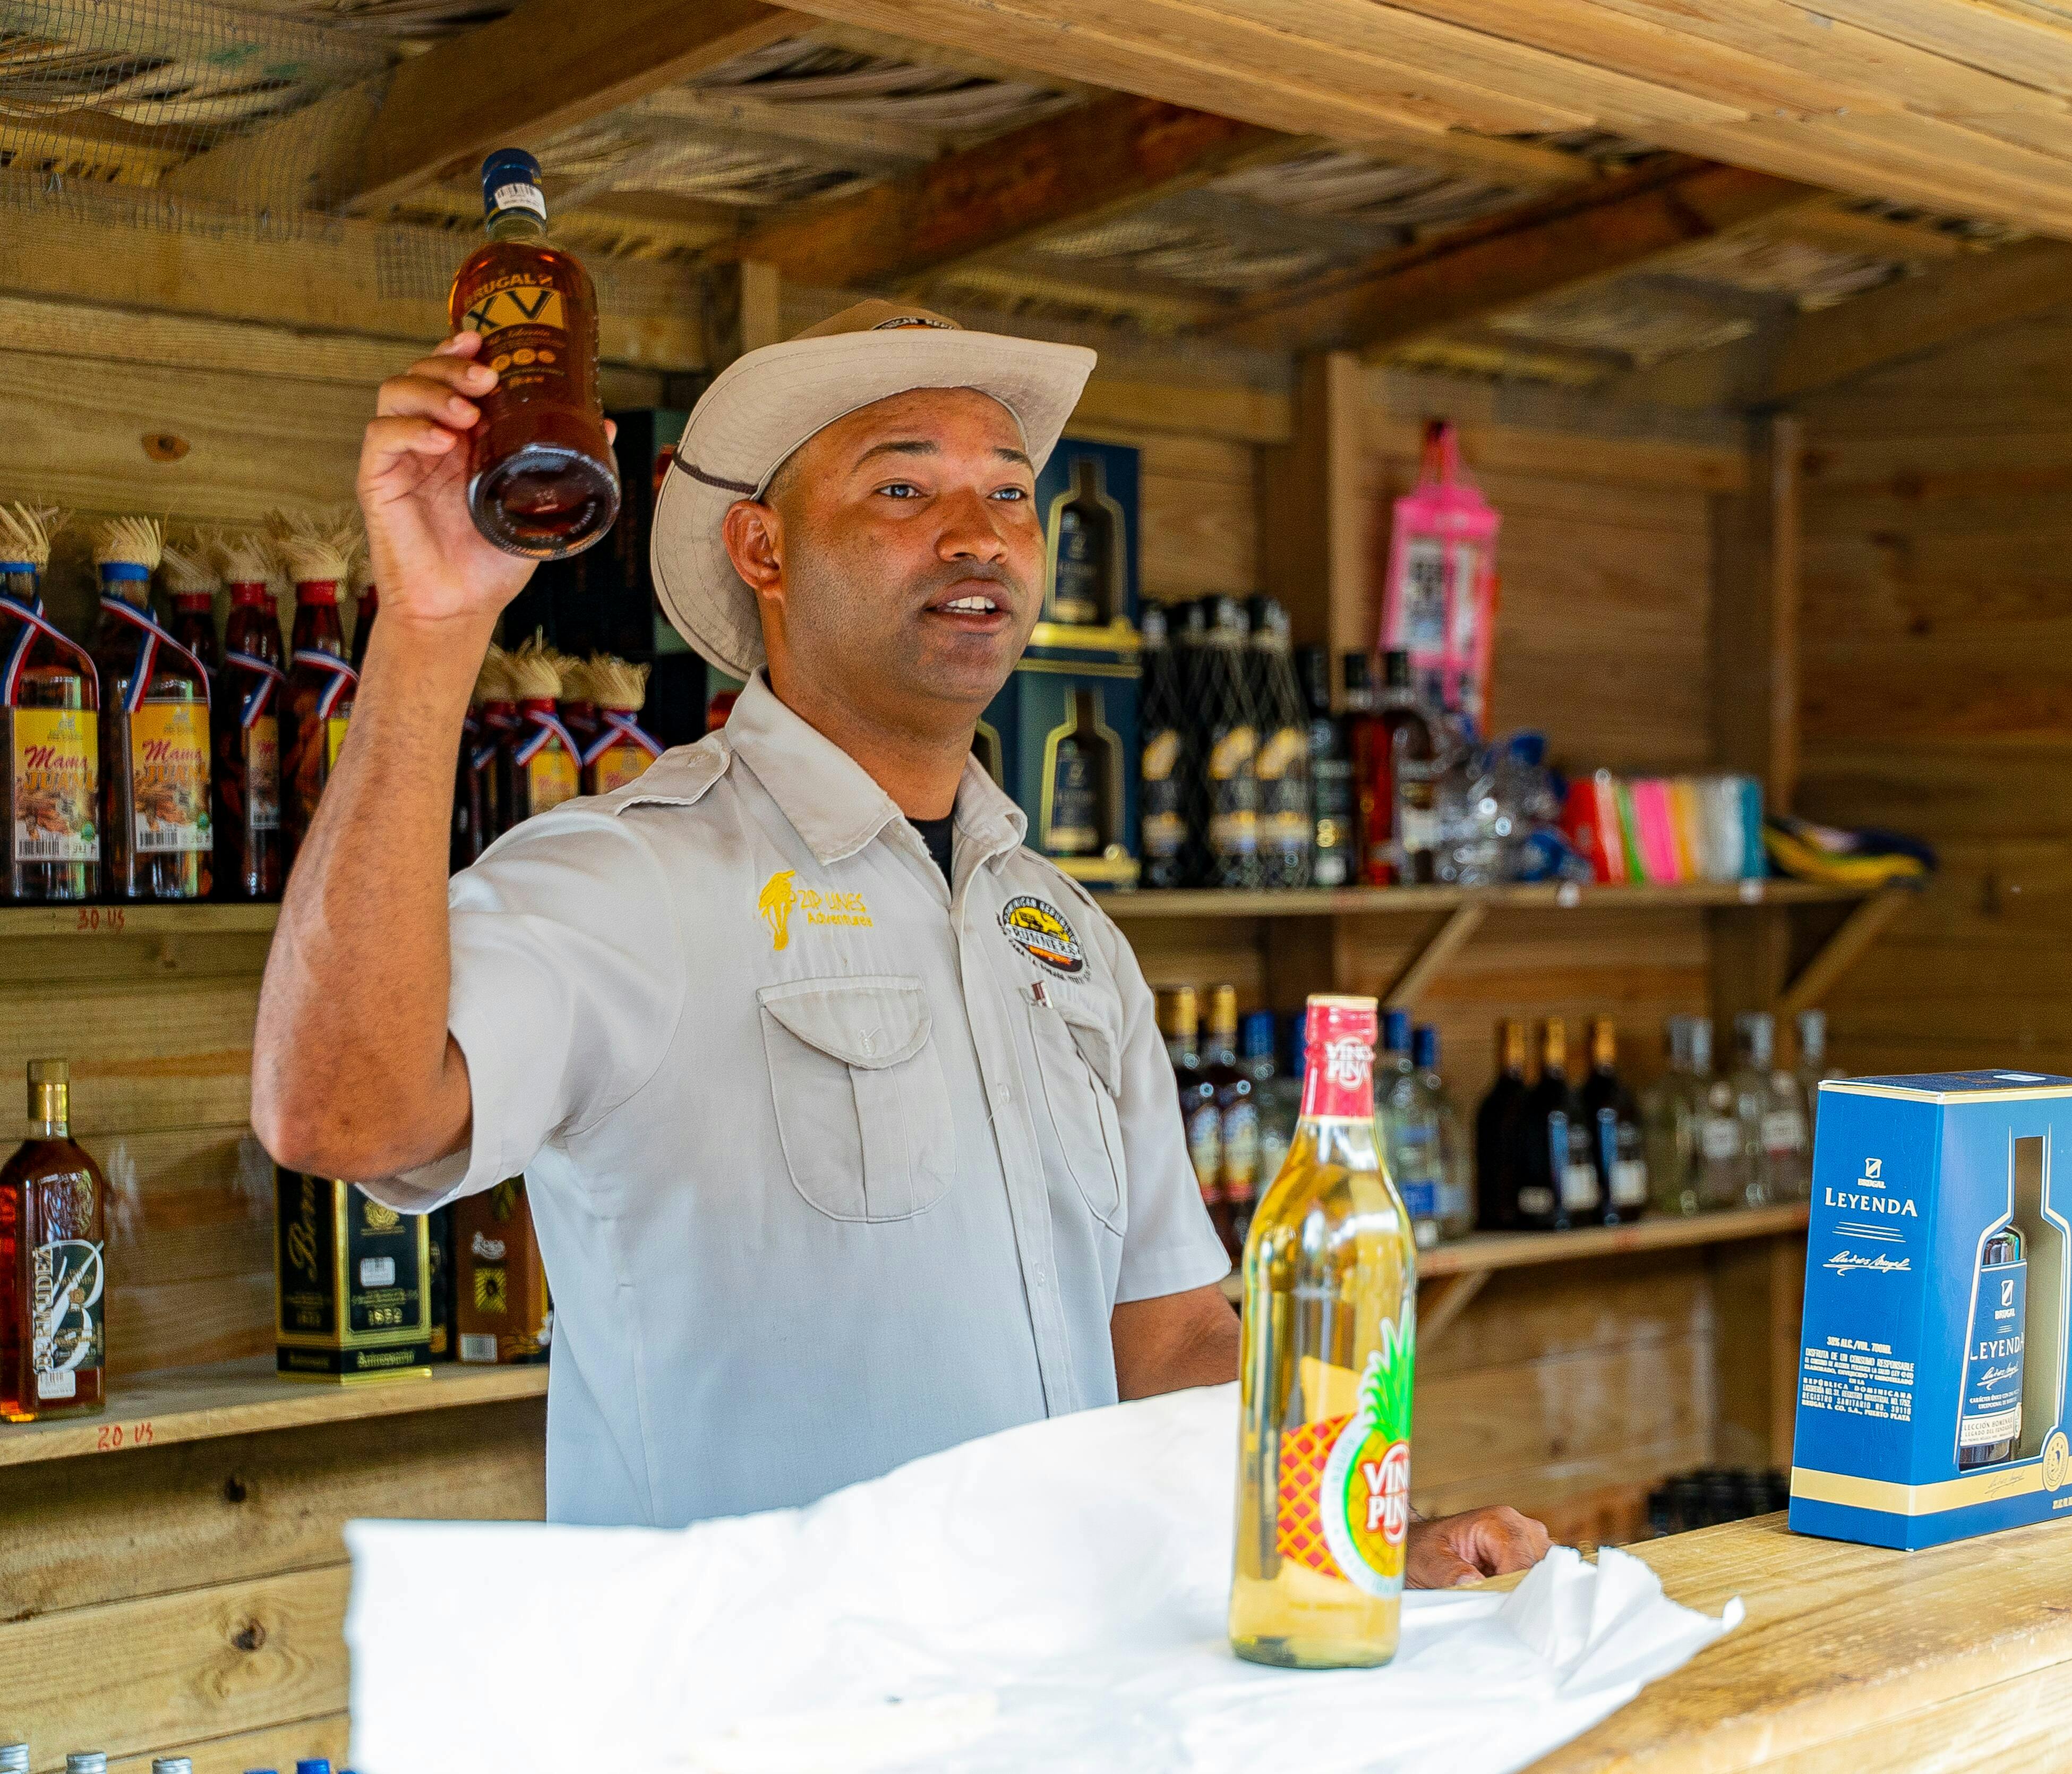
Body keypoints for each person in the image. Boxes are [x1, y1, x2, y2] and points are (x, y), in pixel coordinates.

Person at [252, 302, 1549, 1585]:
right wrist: (429, 625)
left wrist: (1368, 1536)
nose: (977, 533)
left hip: (1077, 1706)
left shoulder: (1068, 938)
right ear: (762, 547)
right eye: (901, 486)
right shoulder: (629, 877)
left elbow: (1169, 1342)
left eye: (1009, 492)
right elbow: (342, 1116)